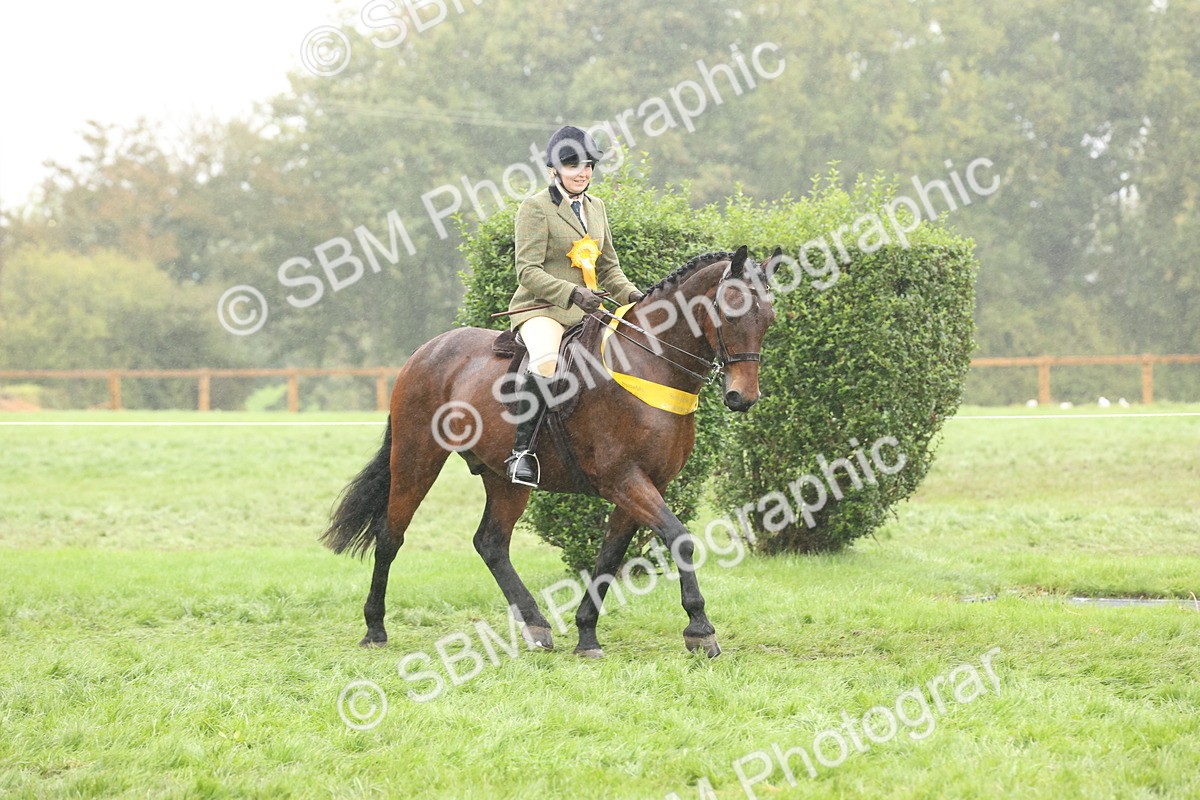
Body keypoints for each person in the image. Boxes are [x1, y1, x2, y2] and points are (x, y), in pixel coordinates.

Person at [505, 125, 645, 487]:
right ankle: (522, 453)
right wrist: (571, 293)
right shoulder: (535, 208)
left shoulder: (596, 207)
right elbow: (528, 270)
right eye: (572, 166)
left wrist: (634, 297)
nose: (582, 172)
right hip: (540, 310)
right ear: (554, 170)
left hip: (589, 311)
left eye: (587, 165)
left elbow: (608, 265)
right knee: (548, 363)